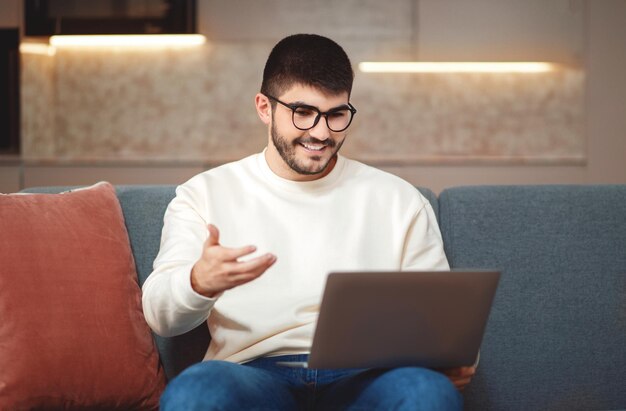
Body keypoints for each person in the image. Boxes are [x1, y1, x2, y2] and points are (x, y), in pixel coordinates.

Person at [142, 33, 475, 410]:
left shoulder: (399, 200)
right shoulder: (203, 195)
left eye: (336, 114)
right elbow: (159, 316)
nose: (321, 132)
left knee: (426, 392)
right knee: (196, 392)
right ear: (264, 108)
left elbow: (440, 318)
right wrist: (198, 282)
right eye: (303, 112)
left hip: (367, 377)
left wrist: (449, 356)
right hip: (254, 374)